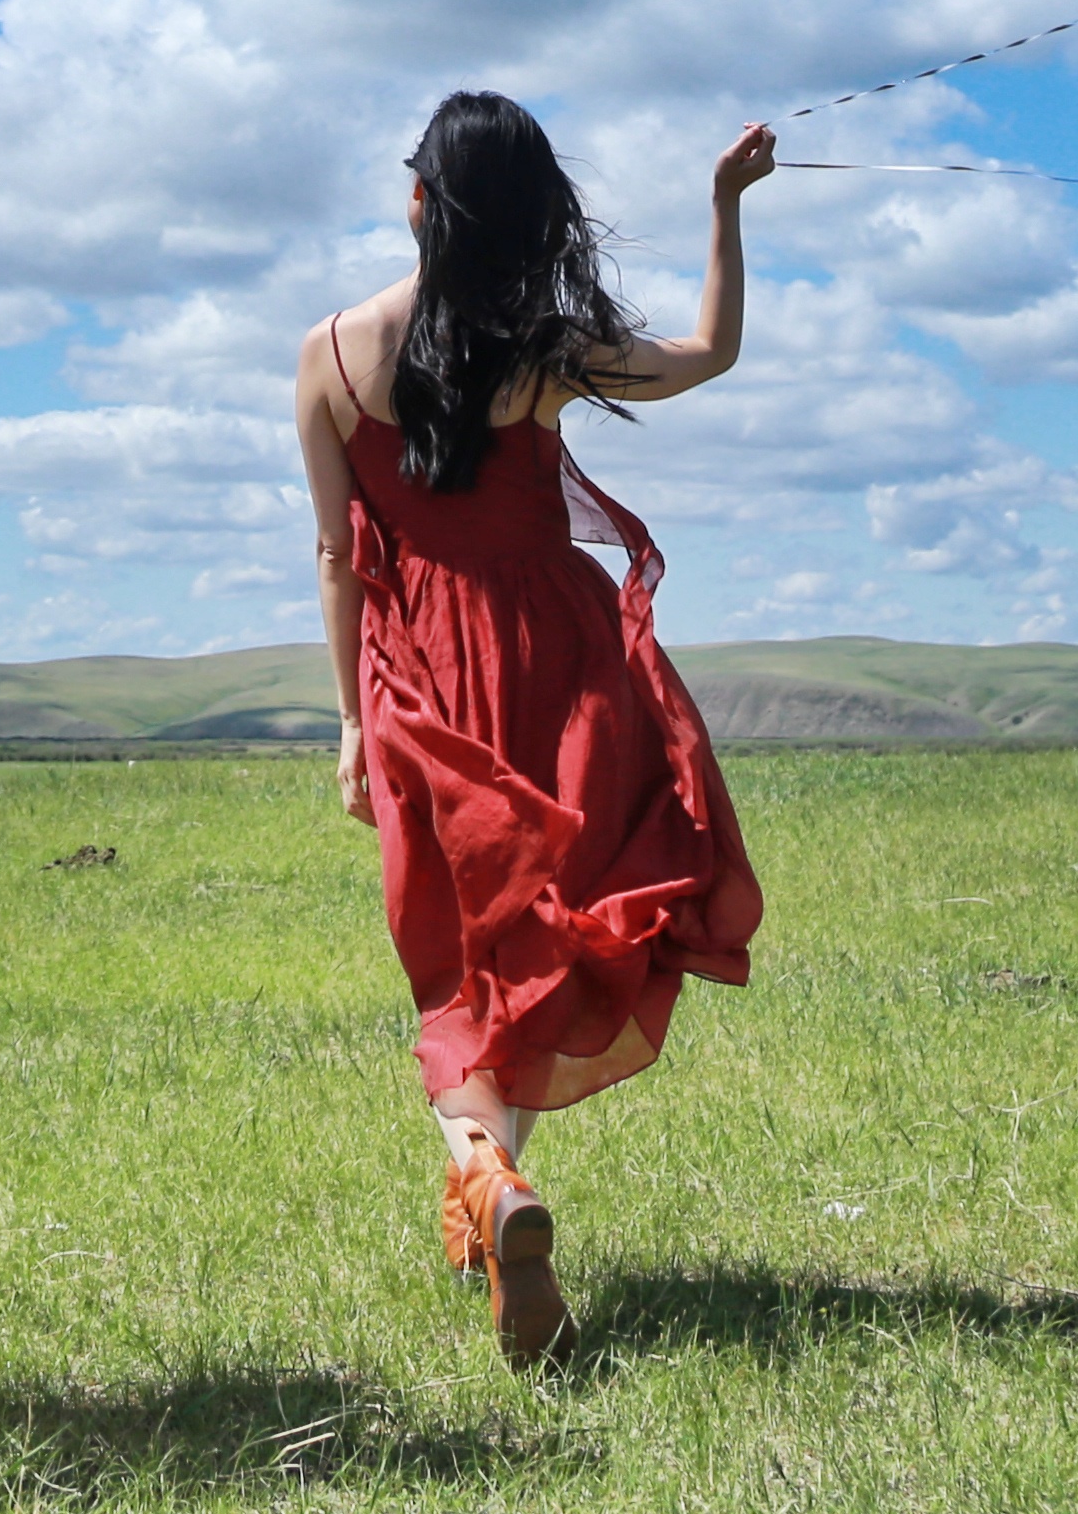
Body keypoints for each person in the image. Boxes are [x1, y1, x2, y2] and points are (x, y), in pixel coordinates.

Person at [296, 96, 776, 1369]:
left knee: (460, 963)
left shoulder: (328, 357)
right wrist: (726, 207)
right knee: (551, 942)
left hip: (419, 684)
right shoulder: (547, 347)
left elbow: (342, 558)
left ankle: (487, 1183)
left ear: (419, 202)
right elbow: (709, 352)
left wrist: (352, 720)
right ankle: (491, 1188)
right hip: (557, 667)